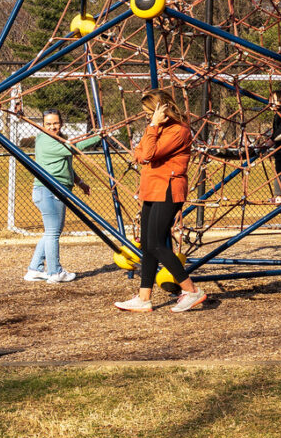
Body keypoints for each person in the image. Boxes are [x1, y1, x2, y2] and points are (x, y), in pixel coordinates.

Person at [114, 89, 207, 313]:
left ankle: (191, 290)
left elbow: (148, 154)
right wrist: (152, 130)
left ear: (162, 108)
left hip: (168, 188)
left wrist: (153, 127)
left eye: (149, 111)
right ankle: (144, 297)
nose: (147, 116)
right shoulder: (157, 129)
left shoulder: (178, 130)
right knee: (147, 244)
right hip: (151, 188)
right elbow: (139, 153)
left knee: (156, 243)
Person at [25, 111, 95, 283]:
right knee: (53, 233)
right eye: (48, 124)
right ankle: (55, 272)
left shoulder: (57, 139)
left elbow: (66, 166)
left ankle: (35, 269)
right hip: (50, 191)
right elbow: (73, 149)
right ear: (42, 125)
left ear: (61, 123)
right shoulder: (45, 140)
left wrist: (80, 183)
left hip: (51, 191)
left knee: (51, 232)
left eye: (55, 123)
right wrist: (98, 137)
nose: (52, 127)